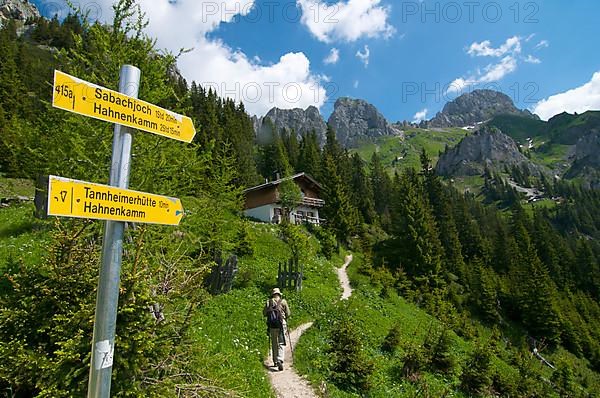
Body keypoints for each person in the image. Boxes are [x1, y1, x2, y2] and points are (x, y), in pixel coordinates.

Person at [263, 287, 290, 371]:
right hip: (282, 324)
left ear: (273, 294)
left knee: (274, 342)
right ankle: (280, 359)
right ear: (279, 294)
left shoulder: (268, 302)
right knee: (281, 342)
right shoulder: (283, 302)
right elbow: (288, 314)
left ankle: (275, 361)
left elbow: (264, 313)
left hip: (272, 325)